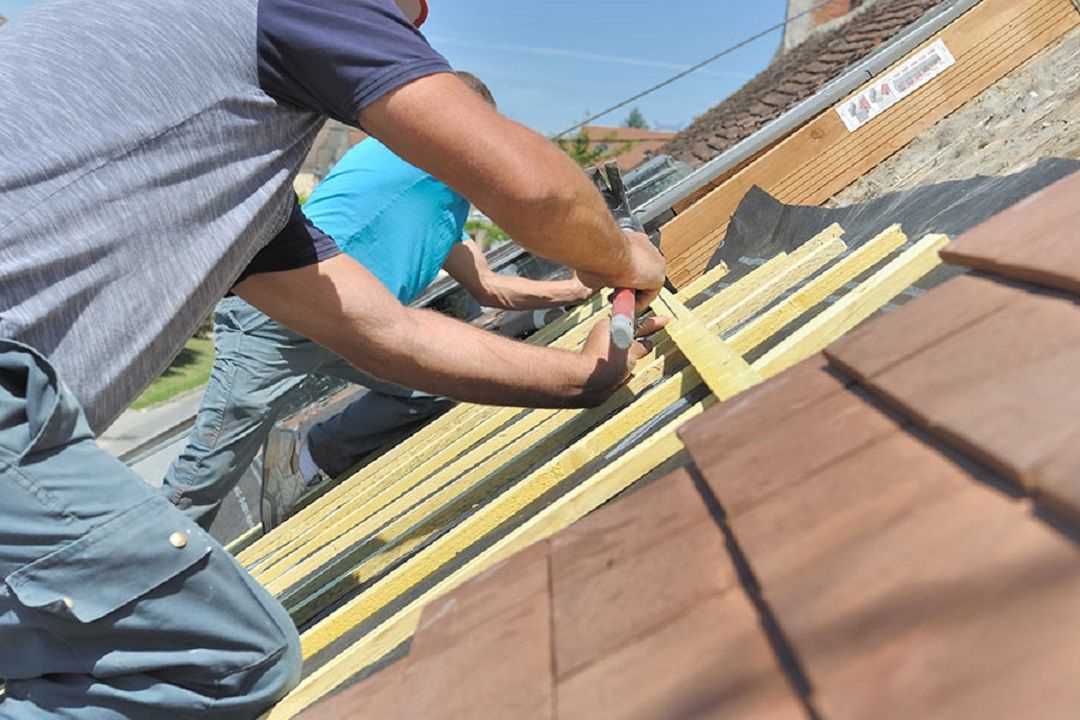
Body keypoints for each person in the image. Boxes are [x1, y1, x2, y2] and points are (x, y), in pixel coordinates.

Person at [0, 0, 666, 717]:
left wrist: (582, 377)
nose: (405, 30)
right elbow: (533, 187)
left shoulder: (229, 178)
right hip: (50, 401)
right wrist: (623, 256)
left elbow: (389, 332)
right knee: (216, 656)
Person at [163, 72, 596, 532]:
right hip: (282, 316)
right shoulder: (412, 151)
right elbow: (529, 192)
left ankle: (304, 460)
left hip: (353, 325)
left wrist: (575, 288)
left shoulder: (444, 203)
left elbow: (489, 287)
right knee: (207, 472)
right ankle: (145, 562)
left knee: (436, 385)